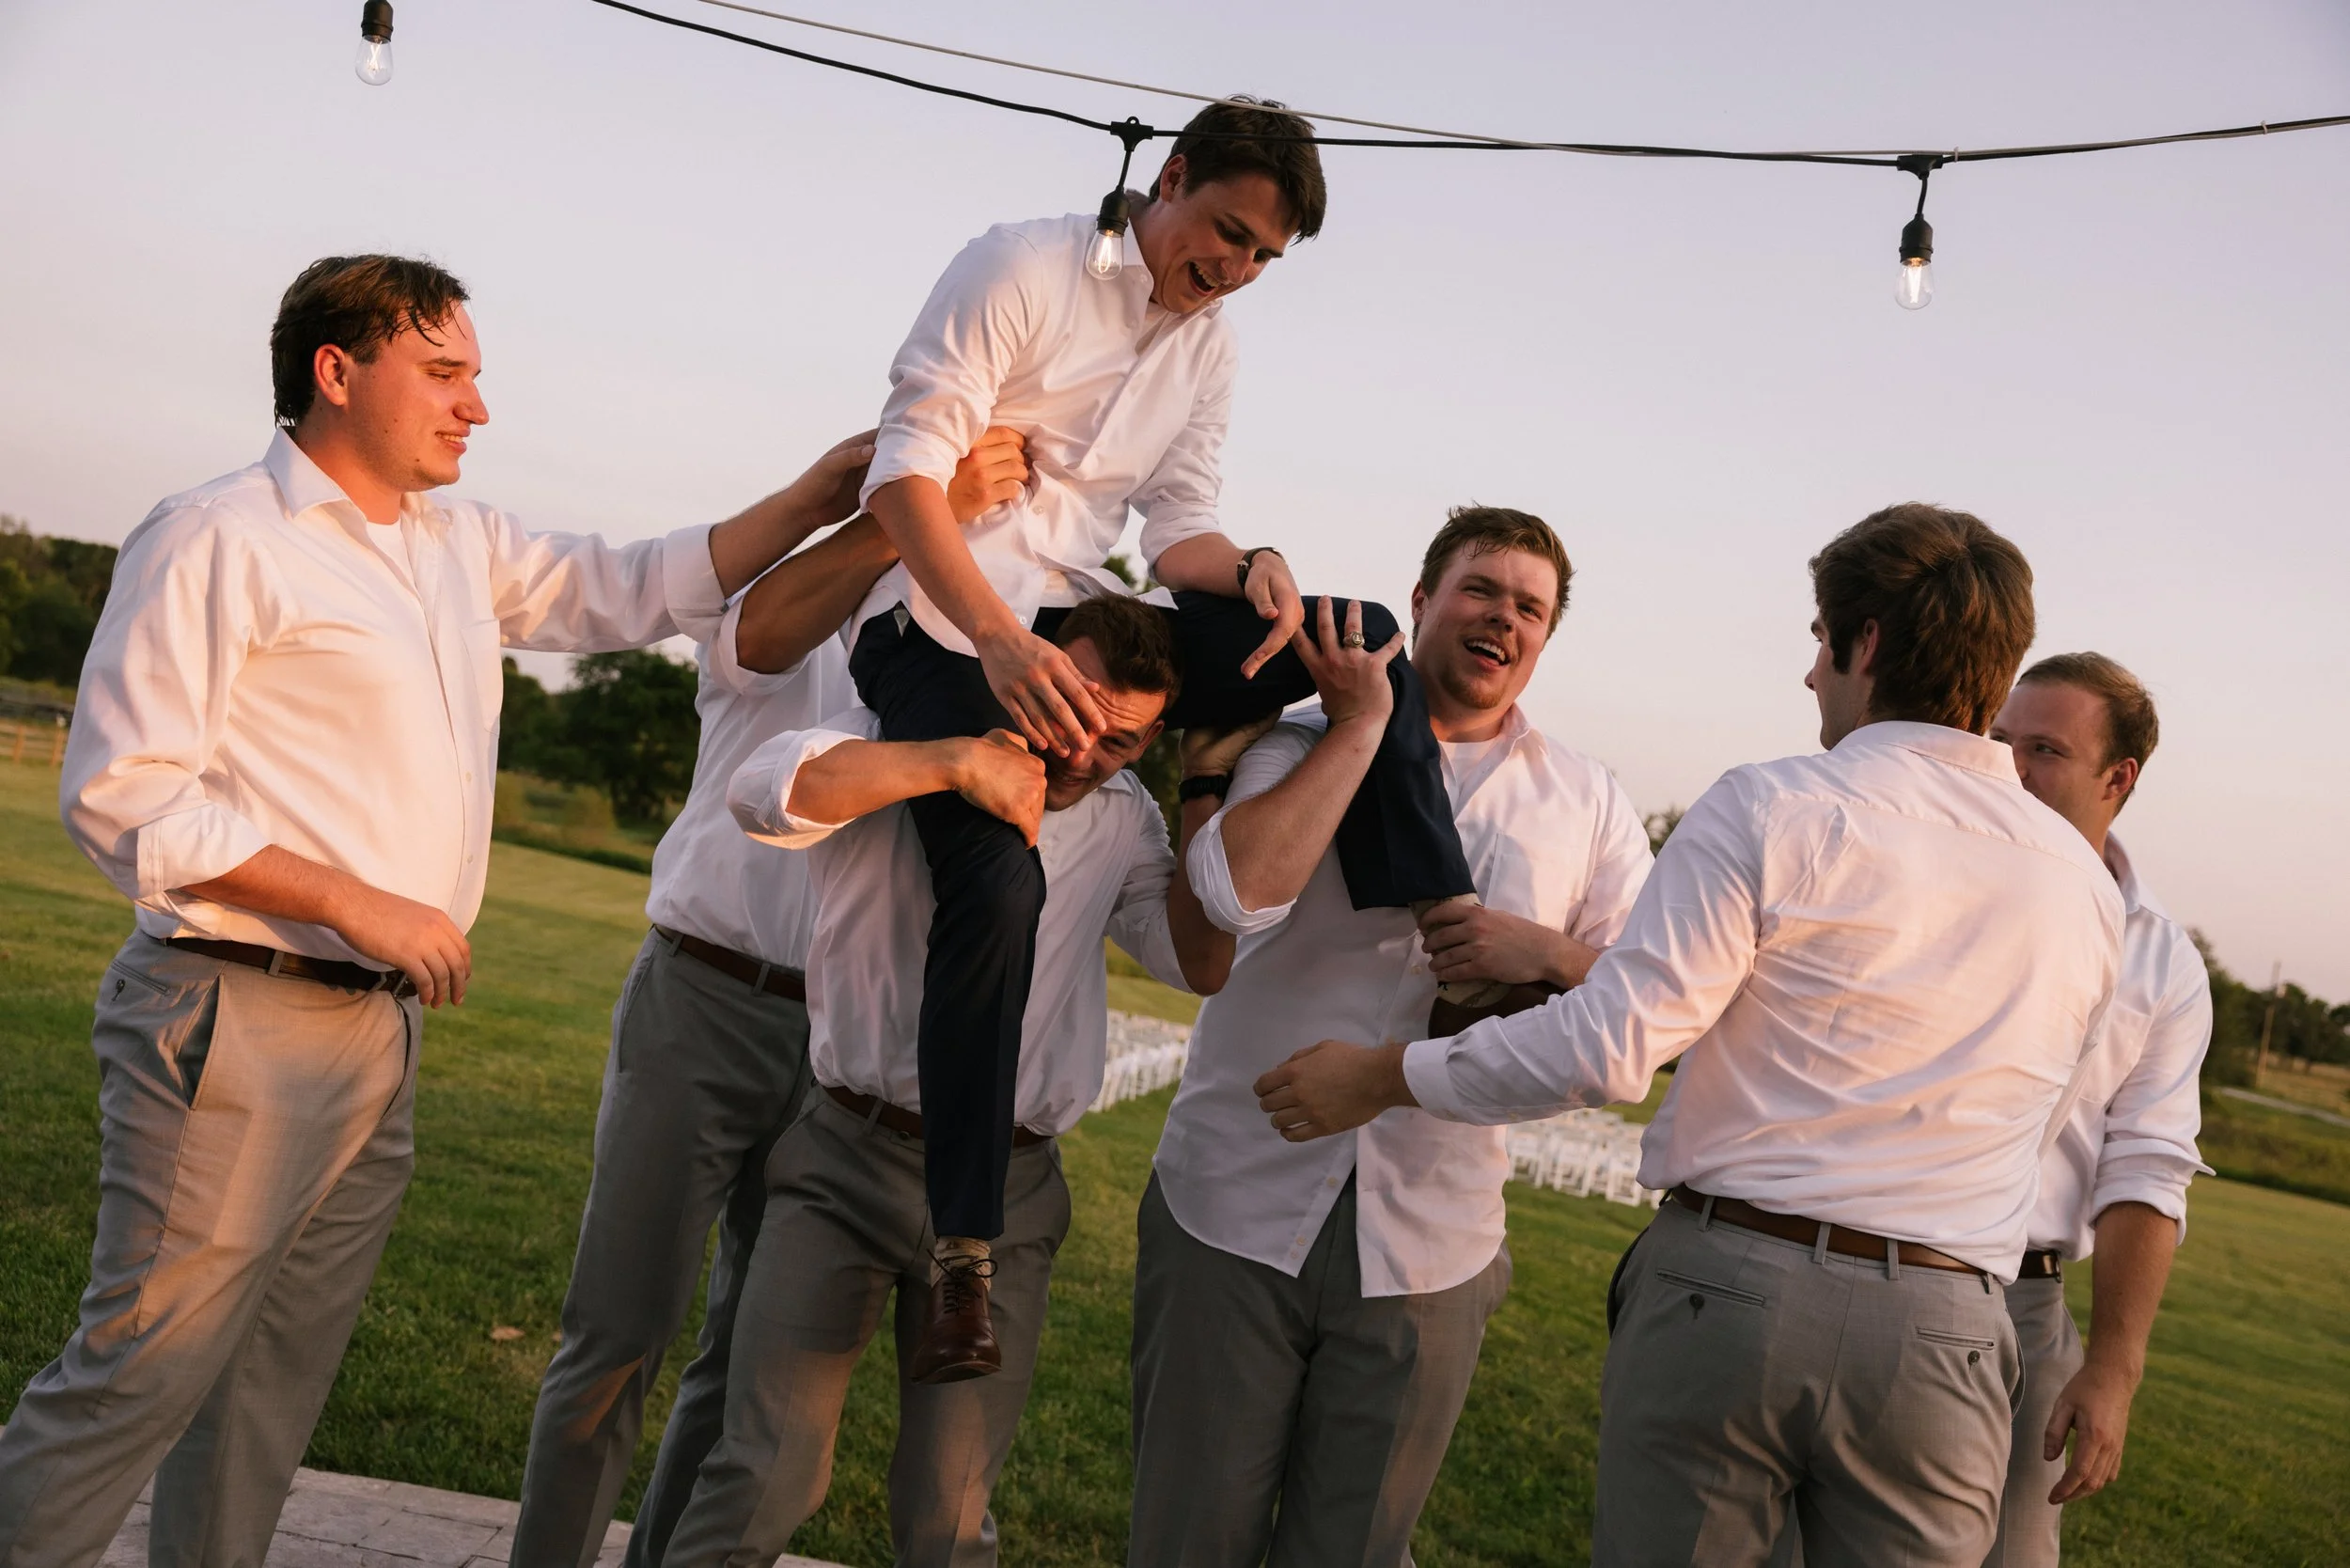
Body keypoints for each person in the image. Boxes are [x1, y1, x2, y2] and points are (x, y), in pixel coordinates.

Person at [0, 254, 864, 1568]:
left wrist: (813, 498)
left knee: (264, 1400)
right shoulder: (219, 536)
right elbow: (124, 796)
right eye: (446, 373)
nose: (477, 407)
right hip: (233, 1015)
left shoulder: (454, 545)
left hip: (373, 1039)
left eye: (476, 376)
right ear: (335, 373)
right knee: (136, 1377)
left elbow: (634, 585)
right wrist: (355, 902)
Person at [1256, 503, 2131, 1568]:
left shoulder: (1777, 805)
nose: (1812, 675)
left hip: (1735, 1296)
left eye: (1820, 641)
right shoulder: (2083, 888)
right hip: (1949, 1329)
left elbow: (1609, 1046)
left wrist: (1386, 1075)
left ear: (1862, 643)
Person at [852, 96, 1479, 1372]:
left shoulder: (1211, 347)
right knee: (1002, 882)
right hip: (939, 621)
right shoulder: (1018, 264)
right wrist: (999, 643)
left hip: (1091, 616)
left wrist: (1247, 565)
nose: (1234, 271)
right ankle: (960, 1246)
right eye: (1226, 233)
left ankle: (1442, 917)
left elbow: (1179, 524)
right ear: (1172, 177)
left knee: (1359, 636)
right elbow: (901, 478)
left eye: (1262, 260)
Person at [508, 429, 1029, 1568]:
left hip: (841, 1057)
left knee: (738, 1368)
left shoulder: (998, 638)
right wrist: (898, 507)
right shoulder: (813, 591)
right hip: (704, 998)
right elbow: (748, 639)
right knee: (614, 1342)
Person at [651, 593, 1252, 1564]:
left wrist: (1204, 785)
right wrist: (953, 762)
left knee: (949, 1515)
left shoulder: (1123, 821)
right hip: (846, 1155)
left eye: (1122, 742)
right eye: (1075, 714)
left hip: (1009, 1193)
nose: (1084, 754)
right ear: (1031, 669)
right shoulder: (899, 734)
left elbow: (1199, 964)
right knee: (762, 1475)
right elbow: (763, 794)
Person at [1130, 508, 1654, 1566]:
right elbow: (1232, 896)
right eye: (1480, 589)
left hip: (1432, 1237)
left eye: (1530, 607)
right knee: (1187, 1540)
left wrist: (1544, 954)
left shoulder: (1589, 804)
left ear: (1544, 639)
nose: (1502, 617)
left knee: (1356, 1552)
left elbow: (1644, 1006)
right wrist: (1362, 726)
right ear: (1419, 602)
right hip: (1231, 1196)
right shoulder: (1298, 739)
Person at [1981, 653, 2210, 1566]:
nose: (2010, 767)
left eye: (2043, 749)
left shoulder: (2158, 961)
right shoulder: (1937, 883)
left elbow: (2147, 1170)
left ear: (2118, 780)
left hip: (2027, 1304)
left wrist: (2111, 1369)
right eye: (1998, 741)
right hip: (1882, 1263)